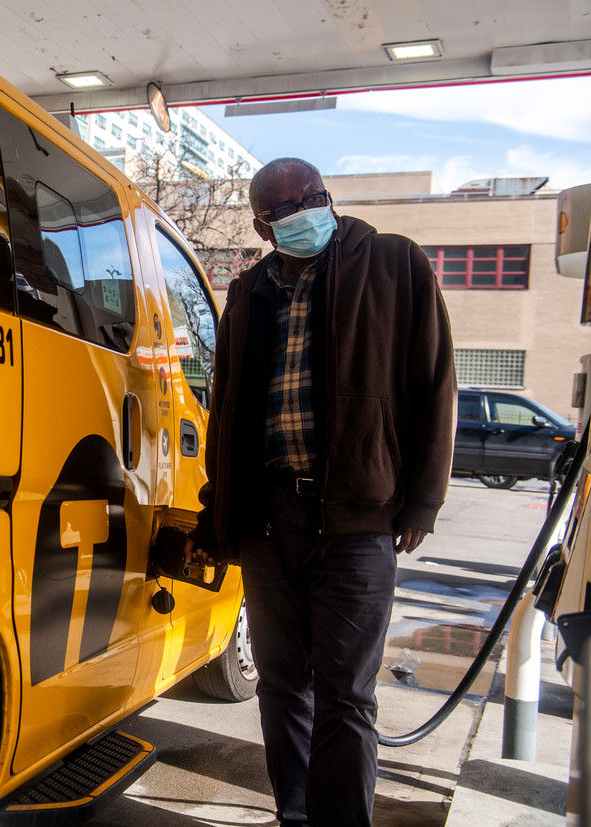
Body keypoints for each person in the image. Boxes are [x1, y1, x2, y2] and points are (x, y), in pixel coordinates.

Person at [183, 157, 456, 826]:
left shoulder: (394, 264)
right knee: (281, 684)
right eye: (287, 205)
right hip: (268, 518)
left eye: (315, 195)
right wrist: (220, 510)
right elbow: (229, 412)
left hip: (358, 519)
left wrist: (422, 499)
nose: (307, 208)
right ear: (262, 223)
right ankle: (295, 814)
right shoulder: (248, 293)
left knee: (346, 695)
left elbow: (435, 383)